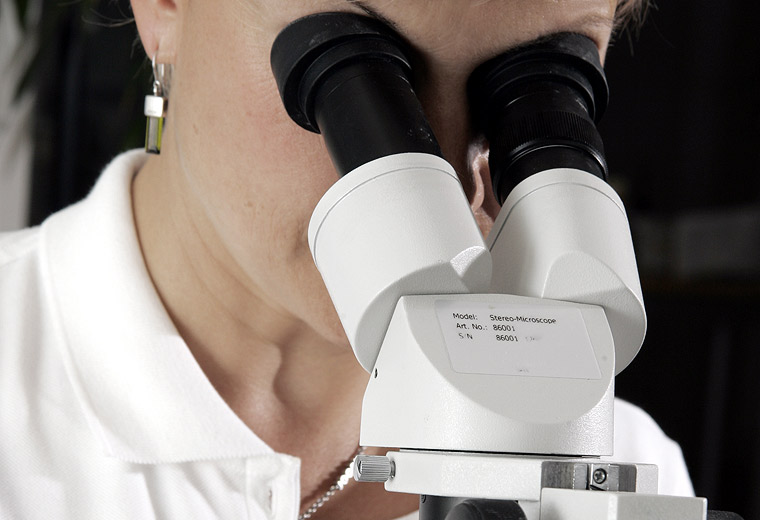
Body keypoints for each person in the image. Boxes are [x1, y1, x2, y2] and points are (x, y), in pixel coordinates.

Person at [0, 0, 694, 518]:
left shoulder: (625, 463)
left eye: (546, 82)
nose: (457, 181)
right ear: (165, 6)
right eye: (348, 68)